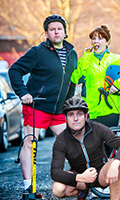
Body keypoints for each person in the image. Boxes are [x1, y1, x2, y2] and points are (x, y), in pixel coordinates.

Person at [8, 14, 78, 198]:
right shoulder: (38, 52)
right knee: (30, 143)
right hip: (37, 106)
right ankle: (28, 188)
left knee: (71, 143)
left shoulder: (72, 54)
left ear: (65, 32)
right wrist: (23, 93)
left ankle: (77, 183)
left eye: (59, 28)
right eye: (52, 29)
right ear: (46, 33)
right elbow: (14, 70)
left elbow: (71, 81)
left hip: (58, 110)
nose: (56, 31)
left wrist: (68, 103)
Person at [51, 96, 120, 200]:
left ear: (86, 116)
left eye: (79, 114)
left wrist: (115, 164)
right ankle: (83, 191)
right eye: (71, 114)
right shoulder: (61, 140)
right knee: (58, 189)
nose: (75, 119)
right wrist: (80, 177)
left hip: (101, 174)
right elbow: (55, 172)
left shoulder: (97, 128)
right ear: (66, 118)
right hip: (80, 179)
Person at [71, 24, 120, 127]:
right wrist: (85, 58)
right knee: (94, 143)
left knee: (109, 143)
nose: (96, 41)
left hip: (113, 111)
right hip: (92, 112)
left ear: (108, 42)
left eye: (100, 38)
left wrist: (118, 85)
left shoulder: (115, 59)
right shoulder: (86, 60)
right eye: (93, 38)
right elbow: (75, 78)